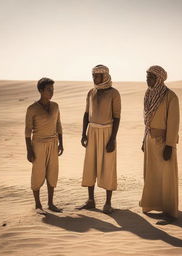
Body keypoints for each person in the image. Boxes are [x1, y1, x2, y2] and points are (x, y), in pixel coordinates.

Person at [140, 65, 180, 223]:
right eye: (147, 76)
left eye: (151, 77)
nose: (148, 80)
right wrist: (144, 139)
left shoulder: (170, 96)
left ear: (159, 79)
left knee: (166, 177)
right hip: (150, 140)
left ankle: (170, 212)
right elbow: (147, 122)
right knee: (152, 176)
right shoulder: (148, 94)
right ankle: (152, 204)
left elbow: (174, 122)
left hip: (164, 143)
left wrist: (170, 145)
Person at [79, 65, 121, 214]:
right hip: (92, 132)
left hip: (107, 132)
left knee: (108, 166)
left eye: (97, 76)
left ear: (105, 76)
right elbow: (86, 114)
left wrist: (112, 139)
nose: (94, 78)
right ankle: (91, 200)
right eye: (93, 75)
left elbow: (117, 117)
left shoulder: (114, 93)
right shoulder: (91, 92)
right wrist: (83, 134)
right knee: (90, 165)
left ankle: (108, 203)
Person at [25, 77, 64, 213]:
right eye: (49, 89)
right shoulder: (32, 109)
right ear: (41, 90)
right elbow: (27, 131)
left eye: (52, 89)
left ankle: (51, 203)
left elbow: (58, 124)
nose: (51, 92)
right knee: (38, 173)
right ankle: (38, 204)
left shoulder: (55, 106)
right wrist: (29, 150)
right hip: (38, 144)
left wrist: (61, 143)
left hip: (53, 143)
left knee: (52, 173)